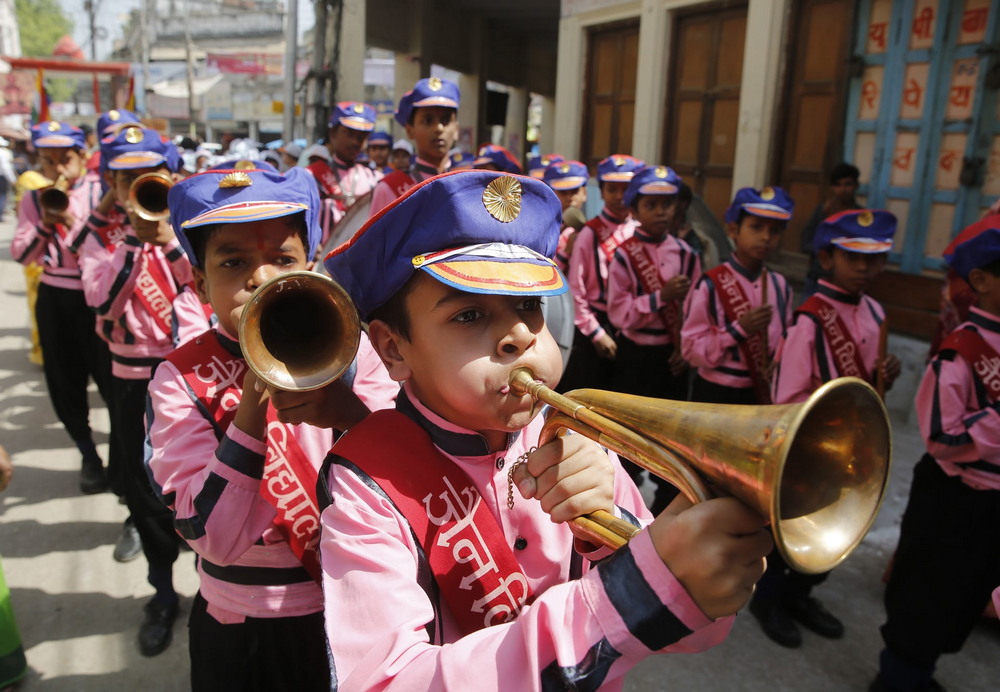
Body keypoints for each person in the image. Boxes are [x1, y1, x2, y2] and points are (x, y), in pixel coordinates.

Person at [320, 169, 771, 691]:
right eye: (468, 315)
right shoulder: (365, 487)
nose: (518, 335)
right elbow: (380, 682)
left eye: (528, 305)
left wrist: (618, 537)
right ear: (394, 348)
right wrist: (626, 595)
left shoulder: (581, 441)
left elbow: (691, 631)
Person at [145, 161, 396, 691]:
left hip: (348, 608)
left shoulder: (353, 351)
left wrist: (348, 414)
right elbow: (211, 537)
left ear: (310, 264)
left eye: (282, 259)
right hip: (240, 624)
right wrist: (251, 412)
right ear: (199, 282)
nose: (260, 278)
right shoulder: (179, 378)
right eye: (234, 263)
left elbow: (404, 474)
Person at [758, 209, 901, 649]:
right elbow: (788, 399)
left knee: (837, 527)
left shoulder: (875, 312)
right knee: (794, 529)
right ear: (826, 257)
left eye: (873, 260)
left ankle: (802, 596)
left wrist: (884, 379)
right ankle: (770, 601)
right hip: (811, 449)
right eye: (852, 257)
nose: (863, 268)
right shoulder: (809, 322)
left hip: (853, 448)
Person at [76, 126, 191, 656]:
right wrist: (134, 246)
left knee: (202, 482)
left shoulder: (188, 231)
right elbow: (101, 303)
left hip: (189, 376)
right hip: (130, 380)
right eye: (124, 178)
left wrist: (167, 242)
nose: (136, 186)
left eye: (147, 176)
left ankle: (216, 584)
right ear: (112, 186)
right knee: (146, 492)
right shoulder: (100, 239)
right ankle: (163, 593)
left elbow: (205, 291)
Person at [871, 222, 1000, 692]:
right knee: (930, 593)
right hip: (957, 495)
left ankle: (918, 672)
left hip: (991, 498)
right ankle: (899, 679)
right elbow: (944, 435)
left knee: (967, 593)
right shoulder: (961, 351)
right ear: (982, 282)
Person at [9, 122, 112, 495]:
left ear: (81, 156)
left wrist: (70, 221)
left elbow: (108, 248)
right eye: (47, 160)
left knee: (111, 381)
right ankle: (88, 455)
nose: (56, 168)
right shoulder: (33, 200)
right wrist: (44, 225)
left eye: (63, 159)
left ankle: (122, 462)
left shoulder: (102, 191)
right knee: (64, 383)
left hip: (98, 297)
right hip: (56, 296)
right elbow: (21, 253)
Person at [682, 186, 794, 406]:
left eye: (775, 231)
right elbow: (691, 350)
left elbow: (786, 338)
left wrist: (778, 360)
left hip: (759, 392)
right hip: (715, 393)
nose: (765, 237)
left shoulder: (780, 286)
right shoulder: (710, 284)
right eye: (756, 227)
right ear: (733, 230)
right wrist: (739, 330)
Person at [607, 165, 700, 402]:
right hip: (635, 354)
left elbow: (696, 310)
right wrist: (661, 297)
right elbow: (618, 313)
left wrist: (685, 350)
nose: (661, 212)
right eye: (651, 205)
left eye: (667, 205)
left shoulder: (687, 254)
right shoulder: (625, 255)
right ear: (635, 212)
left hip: (673, 355)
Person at [559, 154, 643, 393]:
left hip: (630, 328)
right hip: (595, 326)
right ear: (602, 192)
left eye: (625, 189)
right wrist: (596, 334)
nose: (619, 196)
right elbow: (576, 290)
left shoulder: (639, 232)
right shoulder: (589, 234)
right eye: (612, 189)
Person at [369, 77, 461, 213]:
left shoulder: (468, 184)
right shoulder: (389, 188)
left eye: (446, 120)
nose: (439, 128)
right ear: (410, 131)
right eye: (428, 120)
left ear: (456, 130)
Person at [799, 162, 861, 296]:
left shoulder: (860, 216)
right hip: (818, 278)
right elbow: (805, 243)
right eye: (838, 185)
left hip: (847, 283)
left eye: (847, 184)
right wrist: (827, 253)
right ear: (832, 188)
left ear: (856, 186)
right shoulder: (822, 211)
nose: (843, 189)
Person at [543, 160, 590, 274]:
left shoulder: (590, 230)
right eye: (563, 192)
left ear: (584, 194)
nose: (569, 198)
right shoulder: (543, 231)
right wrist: (566, 252)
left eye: (574, 191)